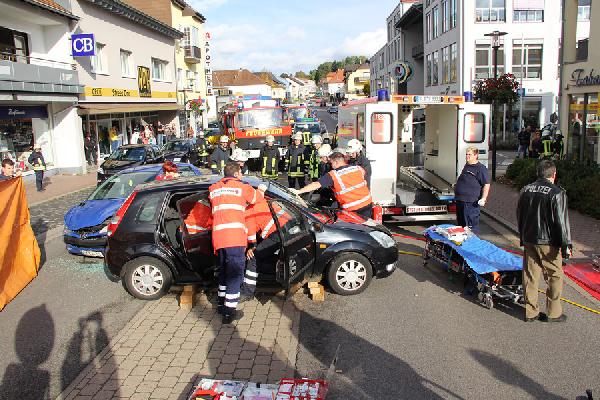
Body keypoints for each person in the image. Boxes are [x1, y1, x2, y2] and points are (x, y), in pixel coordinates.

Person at [209, 162, 266, 324]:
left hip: (219, 238)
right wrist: (262, 189)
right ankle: (229, 312)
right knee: (235, 274)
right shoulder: (242, 187)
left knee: (224, 271)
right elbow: (256, 198)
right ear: (235, 174)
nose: (242, 175)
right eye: (241, 172)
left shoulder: (214, 188)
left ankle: (221, 304)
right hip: (234, 238)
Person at [517, 160, 572, 323]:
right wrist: (566, 245)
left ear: (538, 173)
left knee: (530, 275)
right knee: (554, 275)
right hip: (548, 241)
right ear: (554, 174)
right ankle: (553, 312)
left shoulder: (525, 189)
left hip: (529, 237)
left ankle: (531, 312)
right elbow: (561, 221)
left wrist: (522, 236)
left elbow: (519, 214)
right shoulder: (557, 193)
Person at [292, 151, 373, 220]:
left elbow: (316, 184)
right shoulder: (357, 168)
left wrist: (299, 191)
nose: (331, 165)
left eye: (331, 163)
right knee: (366, 227)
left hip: (352, 209)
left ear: (336, 162)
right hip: (367, 204)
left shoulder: (334, 175)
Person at [453, 146, 490, 234]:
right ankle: (463, 241)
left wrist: (484, 198)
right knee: (461, 226)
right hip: (460, 200)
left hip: (470, 202)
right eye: (466, 154)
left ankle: (472, 240)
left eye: (470, 154)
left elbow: (486, 184)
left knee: (470, 227)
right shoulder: (467, 165)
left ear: (476, 155)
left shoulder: (480, 168)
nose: (467, 156)